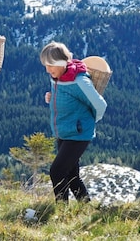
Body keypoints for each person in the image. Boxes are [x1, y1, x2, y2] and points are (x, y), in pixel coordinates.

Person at [40, 42, 107, 203]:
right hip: (64, 131)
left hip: (77, 134)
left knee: (57, 171)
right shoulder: (58, 77)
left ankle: (62, 210)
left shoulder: (79, 80)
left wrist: (89, 122)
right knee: (71, 174)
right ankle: (85, 206)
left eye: (50, 66)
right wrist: (51, 98)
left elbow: (100, 105)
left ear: (62, 63)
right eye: (46, 66)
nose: (48, 70)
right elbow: (69, 98)